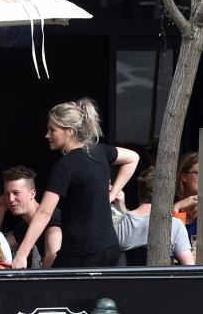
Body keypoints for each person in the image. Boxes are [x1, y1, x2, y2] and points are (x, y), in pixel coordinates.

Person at [12, 98, 140, 269]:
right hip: (109, 248)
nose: (47, 135)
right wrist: (110, 195)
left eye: (52, 130)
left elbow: (44, 212)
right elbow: (133, 158)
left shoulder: (64, 166)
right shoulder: (100, 151)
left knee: (52, 293)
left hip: (82, 253)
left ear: (70, 131)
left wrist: (21, 254)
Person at [115, 167, 194, 265]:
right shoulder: (174, 225)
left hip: (127, 280)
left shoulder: (118, 222)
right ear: (167, 194)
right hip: (161, 280)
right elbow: (189, 266)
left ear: (139, 192)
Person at [0, 165, 61, 268]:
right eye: (7, 194)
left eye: (16, 193)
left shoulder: (52, 217)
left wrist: (41, 282)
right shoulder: (24, 227)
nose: (10, 199)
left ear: (32, 194)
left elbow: (52, 254)